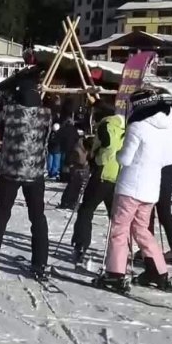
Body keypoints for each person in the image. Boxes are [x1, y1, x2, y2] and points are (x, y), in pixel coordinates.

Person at [96, 91, 172, 293]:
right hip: (152, 189)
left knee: (120, 229)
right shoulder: (168, 131)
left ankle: (116, 274)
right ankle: (159, 271)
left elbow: (125, 159)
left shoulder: (137, 127)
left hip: (129, 187)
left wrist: (118, 154)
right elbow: (170, 160)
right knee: (142, 230)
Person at [0, 76, 52, 283]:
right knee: (38, 218)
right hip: (35, 173)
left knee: (1, 215)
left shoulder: (9, 112)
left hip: (10, 170)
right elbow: (46, 138)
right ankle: (40, 262)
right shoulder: (47, 114)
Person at [71, 102, 126, 265]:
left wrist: (96, 159)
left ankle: (80, 245)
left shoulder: (106, 125)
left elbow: (108, 147)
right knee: (115, 215)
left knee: (86, 209)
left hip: (103, 173)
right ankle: (120, 249)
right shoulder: (124, 126)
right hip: (119, 174)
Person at [57, 130, 89, 210]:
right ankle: (66, 202)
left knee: (77, 188)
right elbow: (72, 160)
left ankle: (72, 202)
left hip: (81, 170)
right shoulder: (77, 148)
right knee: (72, 187)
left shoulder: (84, 145)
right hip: (75, 170)